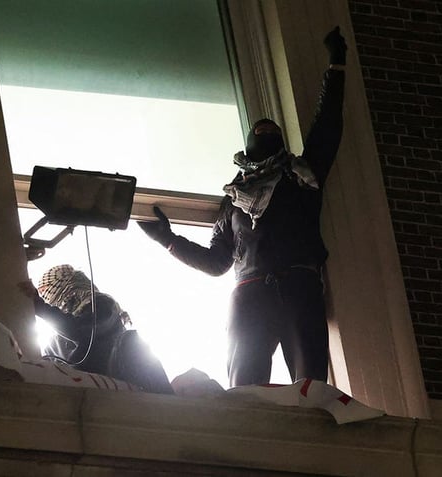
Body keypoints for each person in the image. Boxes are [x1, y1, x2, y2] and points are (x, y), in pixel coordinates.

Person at [137, 26, 347, 387]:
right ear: (247, 151)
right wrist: (168, 240)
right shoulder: (233, 200)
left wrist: (337, 66)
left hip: (298, 286)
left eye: (271, 132)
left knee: (312, 391)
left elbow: (327, 125)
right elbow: (218, 262)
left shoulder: (301, 175)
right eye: (259, 132)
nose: (265, 133)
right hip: (249, 294)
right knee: (243, 393)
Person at [18, 264, 174, 394]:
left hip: (118, 372)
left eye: (48, 294)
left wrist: (40, 306)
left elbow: (83, 331)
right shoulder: (55, 341)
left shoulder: (102, 304)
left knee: (132, 341)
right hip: (83, 390)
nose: (50, 300)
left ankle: (169, 406)